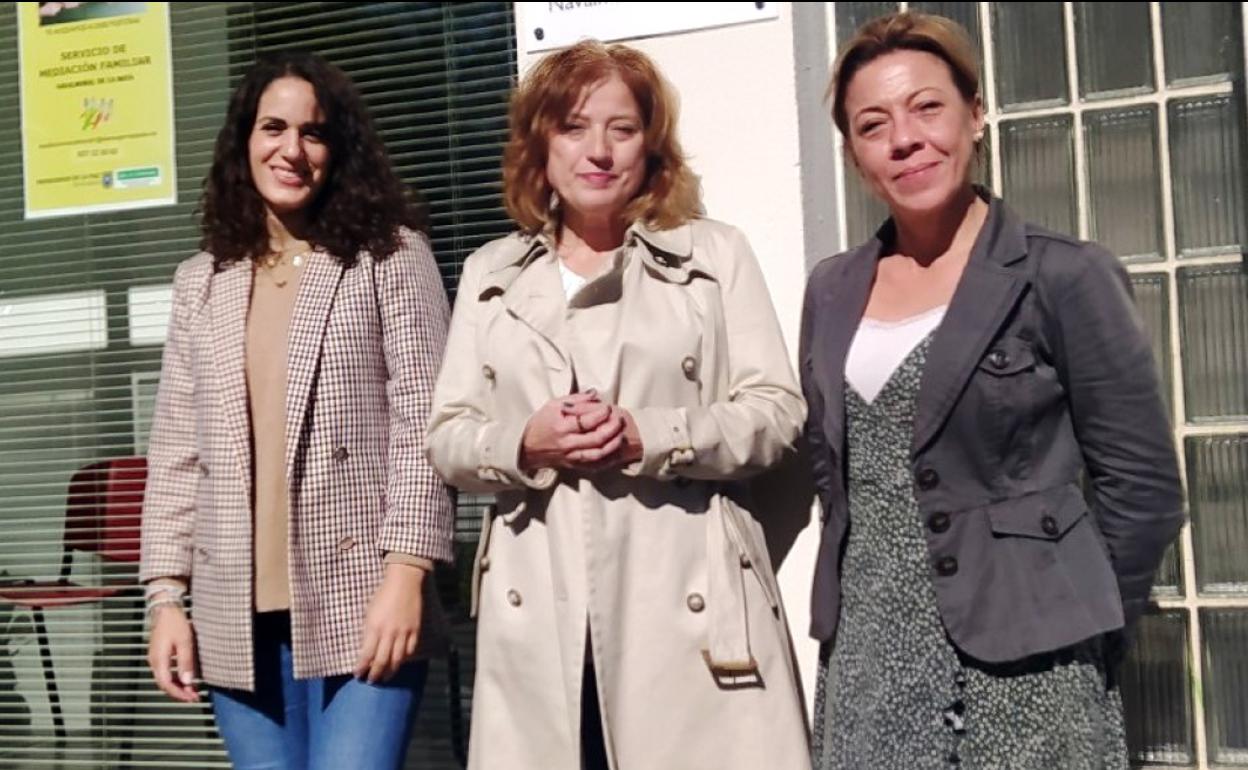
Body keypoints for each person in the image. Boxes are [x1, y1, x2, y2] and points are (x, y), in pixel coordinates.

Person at [800, 11, 1184, 769]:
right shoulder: (833, 289)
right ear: (852, 153)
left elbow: (1144, 489)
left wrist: (1071, 622)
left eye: (927, 107)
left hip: (1028, 667)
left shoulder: (1062, 275)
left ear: (975, 114)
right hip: (870, 658)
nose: (904, 139)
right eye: (873, 125)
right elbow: (834, 471)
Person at [427, 40, 810, 770]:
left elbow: (775, 412)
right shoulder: (490, 273)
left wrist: (649, 436)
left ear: (651, 145)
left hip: (685, 613)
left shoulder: (713, 256)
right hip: (539, 617)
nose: (598, 151)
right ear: (541, 146)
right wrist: (525, 443)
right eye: (573, 127)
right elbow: (448, 437)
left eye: (622, 128)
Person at [139, 51, 454, 769]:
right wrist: (165, 600)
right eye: (273, 128)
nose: (292, 149)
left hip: (364, 600)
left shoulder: (389, 256)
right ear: (243, 141)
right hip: (233, 617)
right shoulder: (202, 281)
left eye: (313, 133)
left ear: (338, 150)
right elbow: (178, 452)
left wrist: (407, 572)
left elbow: (426, 425)